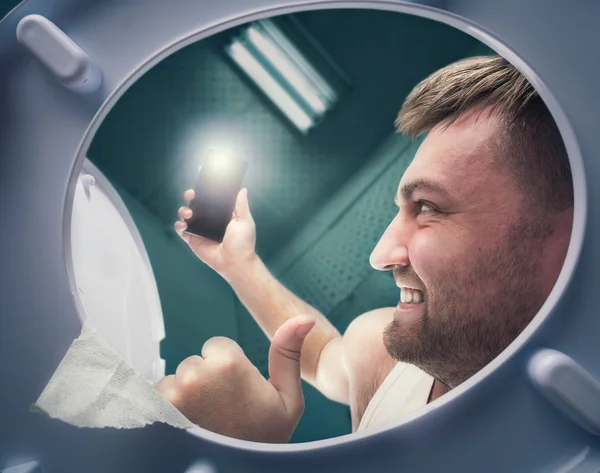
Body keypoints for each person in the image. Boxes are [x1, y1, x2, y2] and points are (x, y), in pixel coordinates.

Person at [155, 55, 574, 443]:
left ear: (567, 238)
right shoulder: (382, 353)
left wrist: (242, 463)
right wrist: (239, 264)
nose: (380, 255)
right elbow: (320, 357)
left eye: (427, 207)